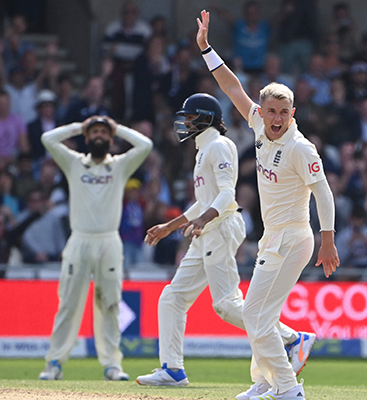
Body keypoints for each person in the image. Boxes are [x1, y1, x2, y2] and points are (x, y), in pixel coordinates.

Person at [196, 10, 339, 400]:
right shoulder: (259, 124)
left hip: (295, 239)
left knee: (258, 317)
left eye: (283, 112)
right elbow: (231, 87)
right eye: (270, 111)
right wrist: (207, 48)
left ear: (294, 113)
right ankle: (263, 382)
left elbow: (324, 193)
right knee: (256, 315)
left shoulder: (300, 147)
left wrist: (328, 240)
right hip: (271, 238)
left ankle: (289, 390)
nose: (275, 118)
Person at [136, 93, 309, 387]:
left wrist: (203, 220)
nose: (185, 123)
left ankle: (293, 339)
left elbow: (227, 194)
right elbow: (203, 202)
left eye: (190, 118)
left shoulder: (219, 145)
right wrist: (170, 225)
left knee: (227, 304)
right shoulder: (203, 149)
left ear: (205, 118)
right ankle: (172, 370)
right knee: (172, 297)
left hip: (220, 227)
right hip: (207, 230)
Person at [37, 115, 152, 381]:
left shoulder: (120, 165)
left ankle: (112, 365)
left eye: (104, 132)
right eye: (94, 133)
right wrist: (81, 126)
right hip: (79, 240)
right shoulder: (75, 163)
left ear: (111, 139)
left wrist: (117, 127)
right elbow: (47, 139)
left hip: (109, 242)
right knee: (68, 302)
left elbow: (145, 145)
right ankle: (54, 362)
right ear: (87, 139)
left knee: (110, 304)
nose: (99, 136)